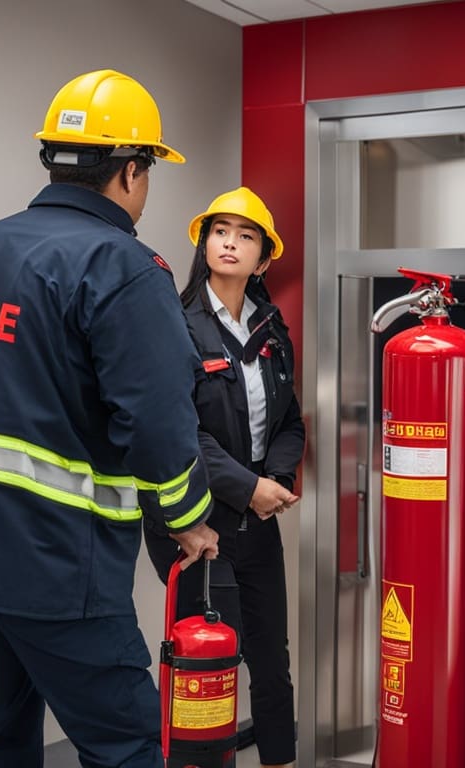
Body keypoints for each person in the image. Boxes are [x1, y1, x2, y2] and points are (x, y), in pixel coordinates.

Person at [0, 69, 219, 768]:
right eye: (146, 170)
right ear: (129, 171)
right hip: (58, 565)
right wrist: (188, 517)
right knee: (128, 748)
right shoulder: (122, 266)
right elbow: (155, 423)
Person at [143, 187, 305, 768]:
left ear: (263, 259)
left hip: (257, 518)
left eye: (246, 234)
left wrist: (277, 481)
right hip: (195, 521)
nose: (230, 242)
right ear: (204, 243)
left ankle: (280, 761)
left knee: (270, 656)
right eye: (220, 231)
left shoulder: (269, 329)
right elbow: (179, 429)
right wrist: (247, 487)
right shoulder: (177, 325)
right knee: (208, 659)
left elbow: (288, 419)